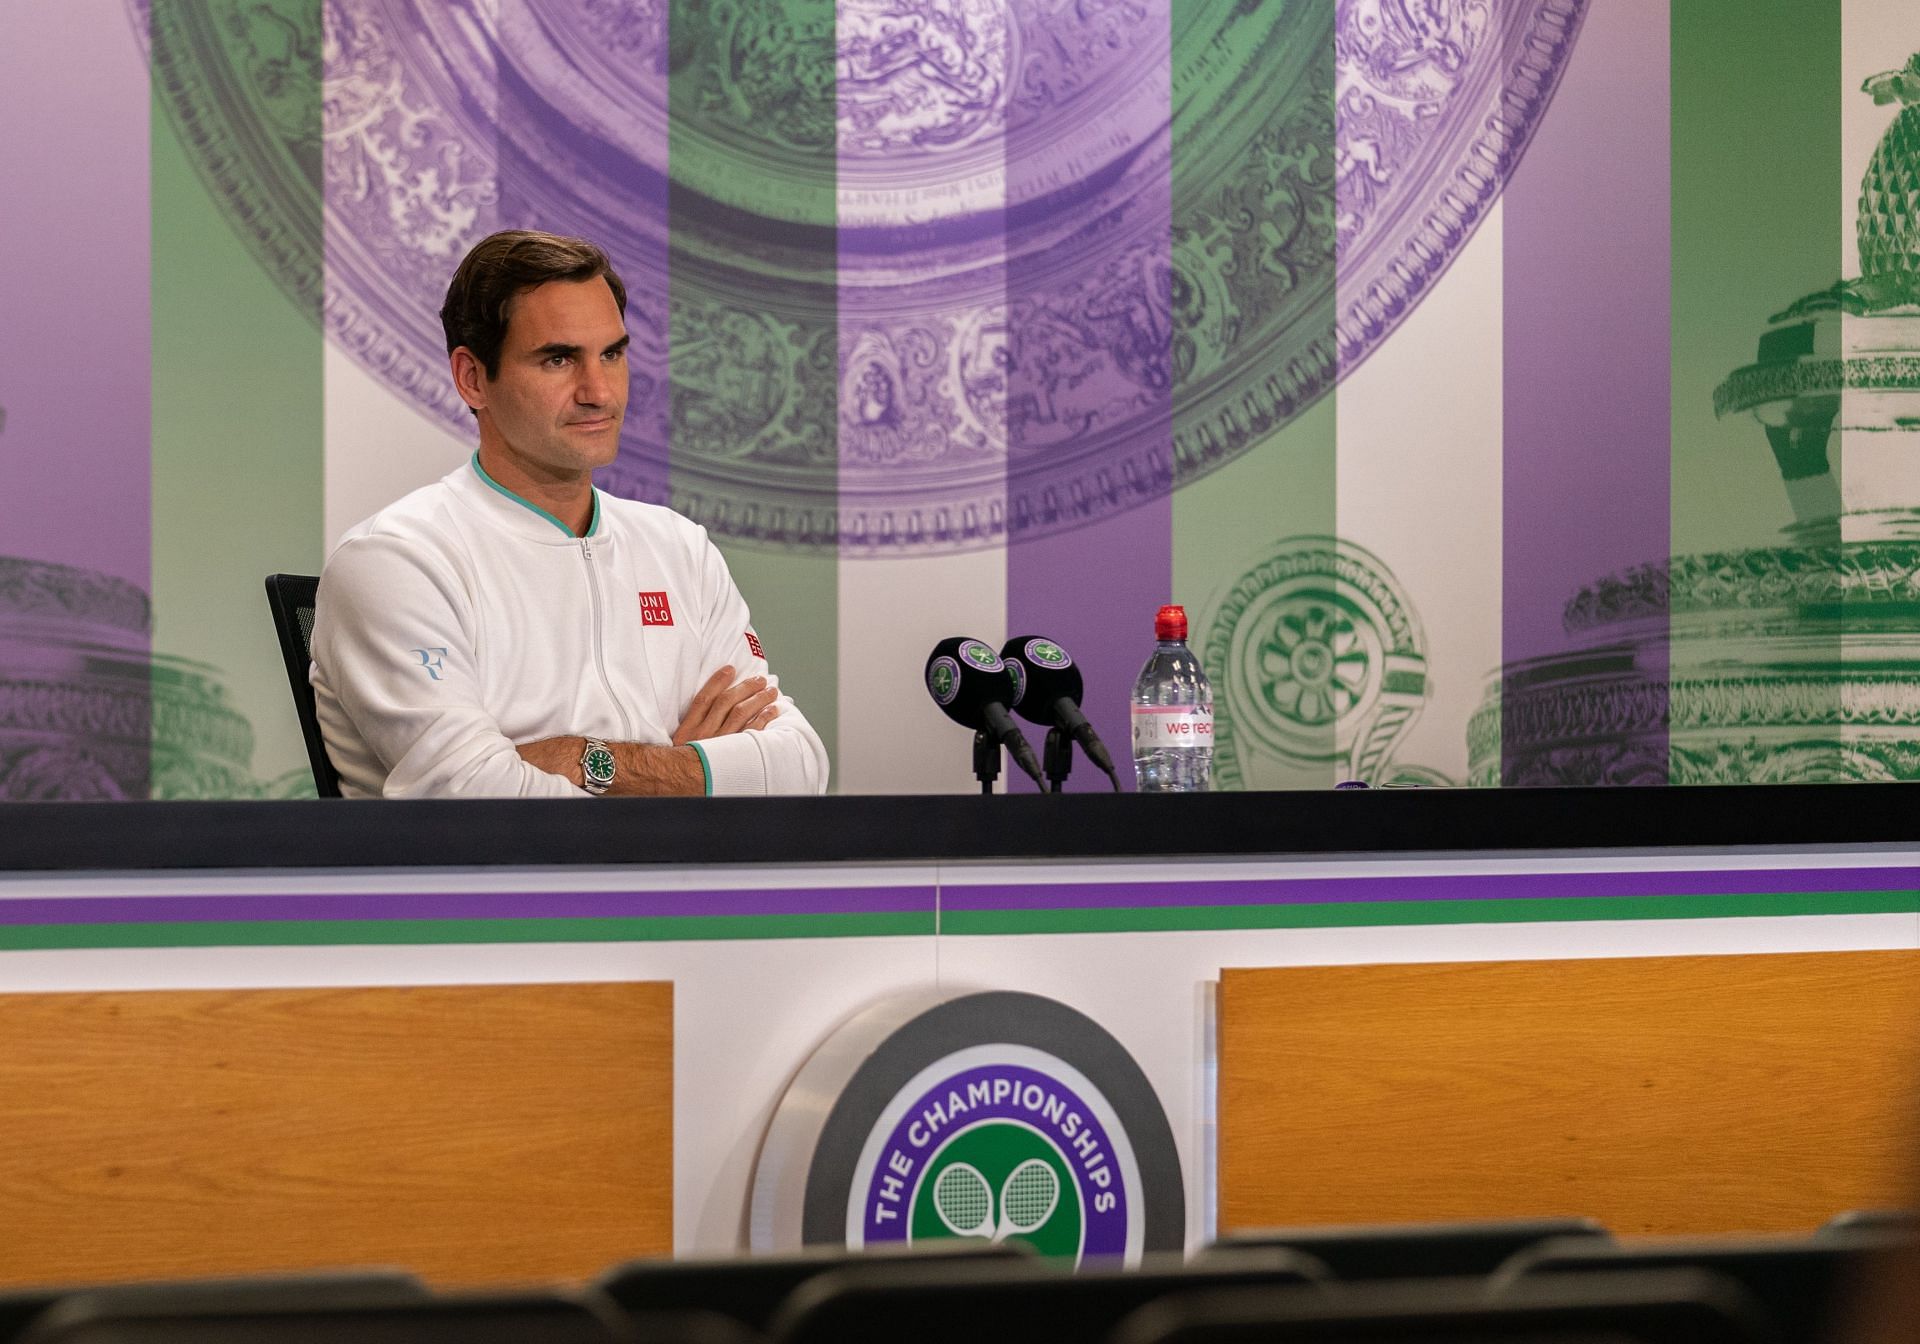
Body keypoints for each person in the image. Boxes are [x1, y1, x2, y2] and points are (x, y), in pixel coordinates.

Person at [310, 230, 829, 797]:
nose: (599, 392)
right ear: (473, 378)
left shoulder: (679, 547)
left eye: (613, 354)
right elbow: (475, 796)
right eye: (559, 359)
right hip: (497, 889)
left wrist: (582, 759)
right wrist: (689, 774)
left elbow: (799, 768)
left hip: (674, 886)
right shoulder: (397, 560)